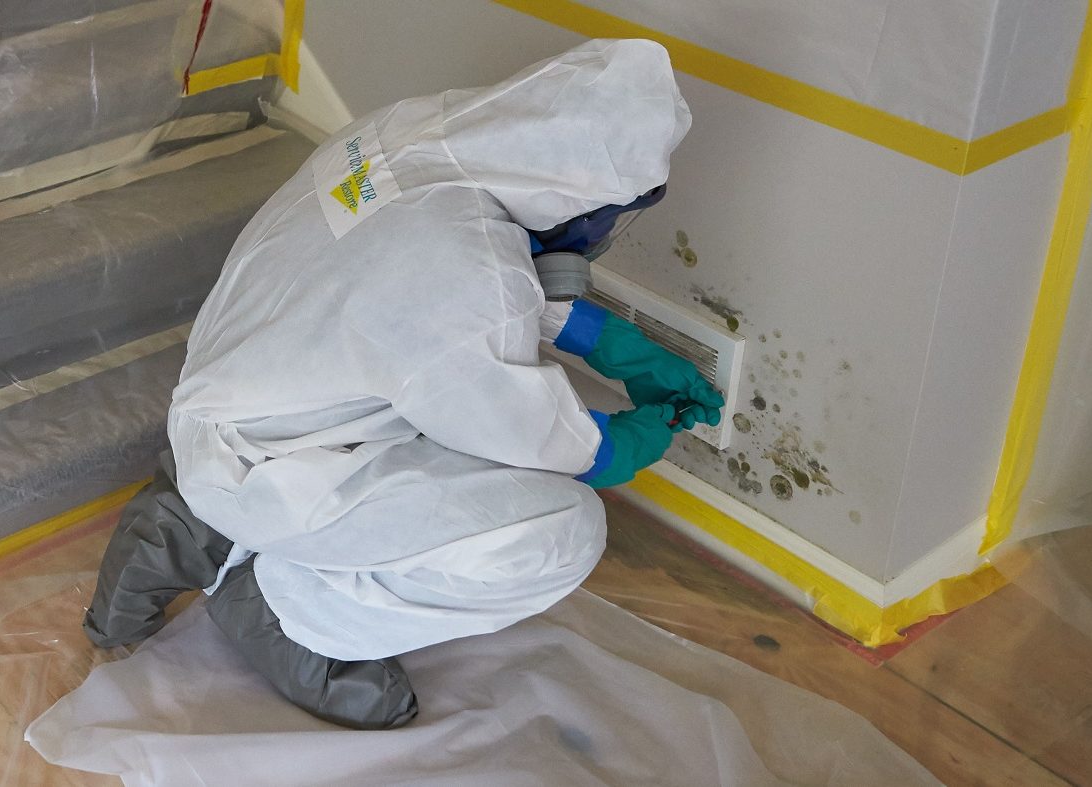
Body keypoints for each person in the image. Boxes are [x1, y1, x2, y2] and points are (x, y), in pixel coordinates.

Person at [82, 39, 722, 730]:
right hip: (285, 467)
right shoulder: (471, 275)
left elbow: (424, 283)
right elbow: (540, 432)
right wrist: (631, 439)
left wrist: (610, 342)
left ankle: (186, 518)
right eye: (610, 212)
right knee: (562, 529)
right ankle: (283, 610)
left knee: (429, 405)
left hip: (228, 402)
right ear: (581, 195)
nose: (602, 230)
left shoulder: (407, 132)